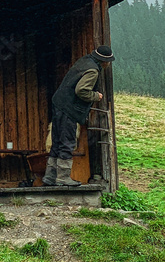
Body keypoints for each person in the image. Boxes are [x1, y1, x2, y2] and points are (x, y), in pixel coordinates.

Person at [43, 45, 115, 186]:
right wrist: (95, 95)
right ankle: (63, 177)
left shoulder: (84, 61)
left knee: (57, 142)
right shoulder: (93, 71)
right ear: (105, 61)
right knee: (67, 142)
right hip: (69, 109)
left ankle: (49, 177)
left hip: (58, 103)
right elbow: (81, 90)